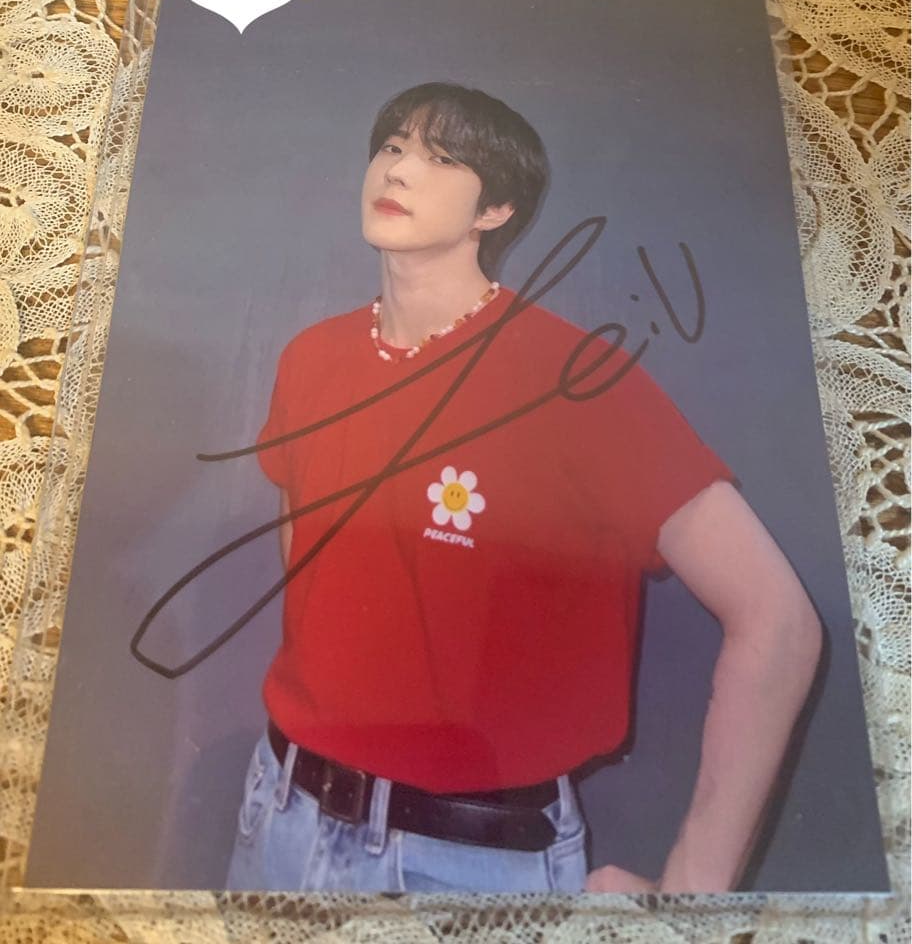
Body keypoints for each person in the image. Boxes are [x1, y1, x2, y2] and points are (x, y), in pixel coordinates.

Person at [225, 82, 822, 894]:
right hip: (278, 815)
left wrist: (695, 892)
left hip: (466, 865)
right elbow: (307, 569)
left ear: (496, 209)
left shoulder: (575, 380)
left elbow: (780, 622)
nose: (398, 171)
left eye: (441, 159)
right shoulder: (311, 359)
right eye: (392, 147)